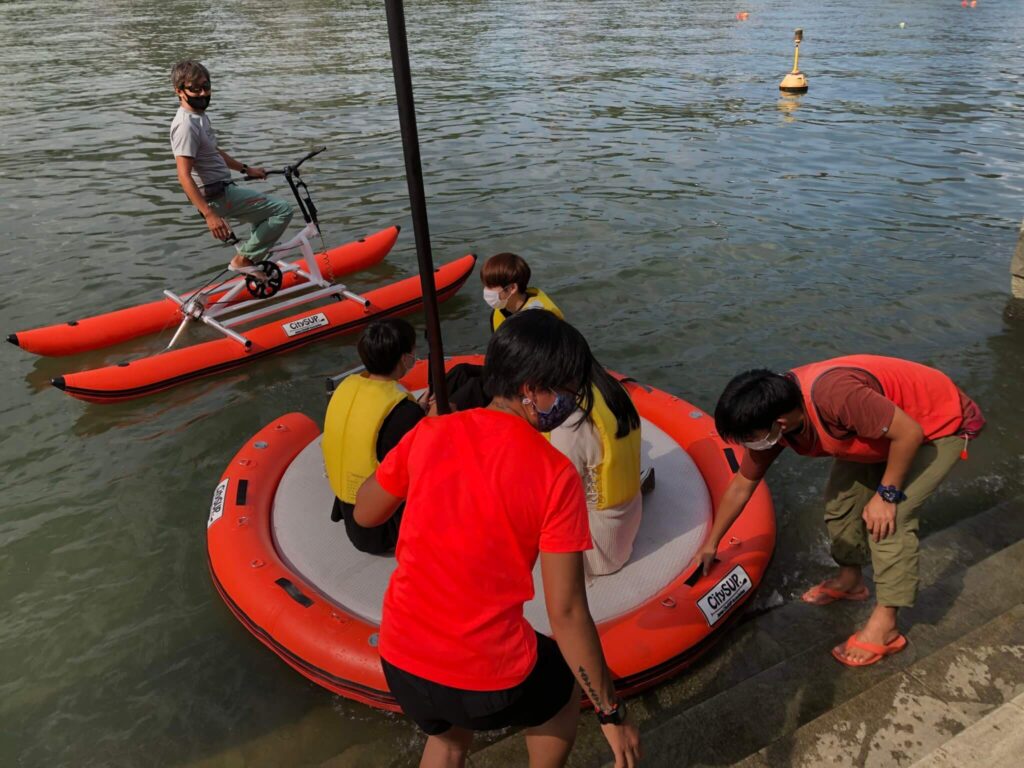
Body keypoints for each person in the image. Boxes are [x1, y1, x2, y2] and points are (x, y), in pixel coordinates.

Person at [354, 311, 641, 768]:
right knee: (563, 691)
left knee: (448, 741)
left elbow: (367, 512)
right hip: (487, 679)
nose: (571, 403)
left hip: (401, 660)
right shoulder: (554, 476)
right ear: (531, 389)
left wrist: (421, 450)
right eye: (567, 392)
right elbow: (566, 613)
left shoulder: (429, 432)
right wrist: (611, 711)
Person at [699, 355, 985, 667]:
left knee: (890, 520)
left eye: (749, 439)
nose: (749, 446)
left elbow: (909, 433)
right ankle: (851, 581)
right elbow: (743, 484)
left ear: (779, 424)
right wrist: (712, 542)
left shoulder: (836, 397)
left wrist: (886, 495)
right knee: (841, 504)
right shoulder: (775, 416)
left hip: (936, 424)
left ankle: (886, 627)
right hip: (881, 430)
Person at [169, 60, 293, 277]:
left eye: (206, 86)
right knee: (282, 210)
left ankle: (252, 261)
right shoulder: (185, 126)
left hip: (223, 189)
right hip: (216, 196)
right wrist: (209, 215)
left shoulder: (198, 117)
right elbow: (183, 175)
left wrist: (247, 169)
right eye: (195, 89)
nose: (202, 93)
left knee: (264, 218)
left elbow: (215, 152)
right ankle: (244, 259)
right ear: (179, 91)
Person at [322, 319, 425, 554]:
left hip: (348, 511)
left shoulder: (347, 389)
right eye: (412, 350)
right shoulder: (404, 413)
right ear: (404, 359)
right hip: (381, 527)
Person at [550, 365, 647, 576]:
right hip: (625, 525)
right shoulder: (613, 391)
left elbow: (555, 498)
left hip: (597, 553)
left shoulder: (569, 423)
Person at [447, 251, 564, 411]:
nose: (486, 291)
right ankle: (431, 402)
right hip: (511, 371)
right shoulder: (501, 311)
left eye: (490, 286)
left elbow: (539, 366)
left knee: (476, 386)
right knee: (460, 372)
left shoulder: (537, 318)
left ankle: (447, 416)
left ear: (512, 288)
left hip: (534, 380)